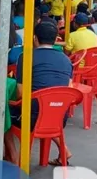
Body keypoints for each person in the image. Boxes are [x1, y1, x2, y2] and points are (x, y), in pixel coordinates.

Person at [12, 22, 73, 165]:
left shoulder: (26, 57)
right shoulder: (66, 59)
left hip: (31, 118)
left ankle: (14, 159)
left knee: (4, 116)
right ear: (56, 39)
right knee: (46, 110)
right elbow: (68, 89)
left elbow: (20, 93)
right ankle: (63, 150)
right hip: (59, 117)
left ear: (35, 38)